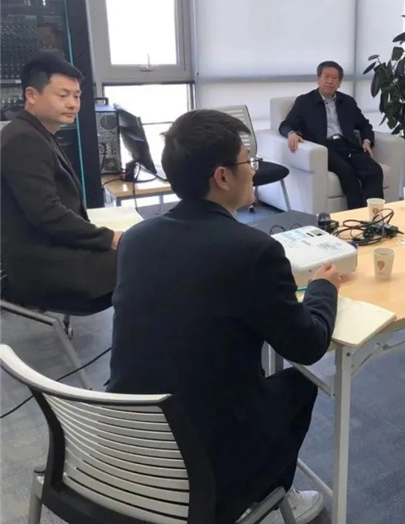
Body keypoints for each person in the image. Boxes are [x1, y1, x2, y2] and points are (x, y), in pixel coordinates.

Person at [107, 110, 340, 524]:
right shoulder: (253, 251)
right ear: (222, 177)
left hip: (129, 441)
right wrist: (323, 288)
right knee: (299, 385)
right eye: (247, 161)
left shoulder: (136, 240)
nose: (253, 170)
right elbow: (308, 345)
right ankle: (270, 496)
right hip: (202, 460)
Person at [0, 54, 121, 307]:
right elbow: (47, 214)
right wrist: (108, 238)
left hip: (54, 251)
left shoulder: (36, 132)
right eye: (63, 95)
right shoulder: (23, 139)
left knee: (143, 253)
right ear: (32, 95)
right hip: (43, 268)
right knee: (148, 260)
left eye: (76, 96)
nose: (73, 104)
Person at [278, 60, 383, 209]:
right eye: (326, 76)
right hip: (324, 148)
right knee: (347, 172)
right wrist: (291, 133)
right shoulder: (305, 102)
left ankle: (375, 216)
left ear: (339, 83)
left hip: (348, 145)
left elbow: (364, 124)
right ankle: (357, 214)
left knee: (374, 170)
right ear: (318, 79)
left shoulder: (347, 101)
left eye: (334, 78)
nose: (330, 81)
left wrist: (367, 141)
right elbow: (285, 125)